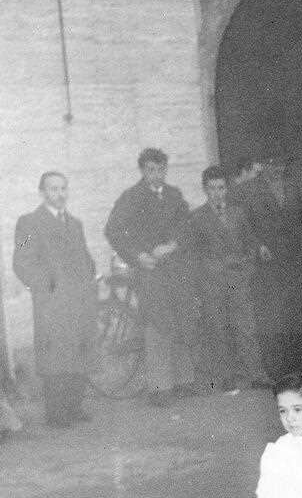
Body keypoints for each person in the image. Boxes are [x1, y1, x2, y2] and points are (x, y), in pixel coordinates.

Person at [104, 148, 196, 406]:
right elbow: (113, 230)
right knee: (157, 323)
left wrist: (174, 245)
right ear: (143, 171)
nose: (156, 175)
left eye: (160, 169)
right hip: (150, 270)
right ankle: (160, 388)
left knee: (178, 319)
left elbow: (188, 227)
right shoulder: (131, 197)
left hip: (174, 268)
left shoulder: (175, 196)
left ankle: (183, 381)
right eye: (150, 170)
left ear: (166, 169)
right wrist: (138, 256)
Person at [12, 171, 97, 425]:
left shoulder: (75, 224)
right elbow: (21, 261)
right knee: (56, 357)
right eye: (53, 189)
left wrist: (91, 276)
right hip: (52, 302)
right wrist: (47, 284)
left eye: (63, 189)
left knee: (79, 353)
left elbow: (85, 256)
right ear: (42, 193)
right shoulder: (28, 223)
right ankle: (56, 413)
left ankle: (73, 406)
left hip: (79, 299)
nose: (59, 195)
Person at [189, 166, 271, 392]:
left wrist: (254, 257)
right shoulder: (196, 218)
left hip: (237, 279)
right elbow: (193, 255)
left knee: (246, 327)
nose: (218, 193)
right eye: (213, 188)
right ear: (205, 190)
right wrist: (203, 280)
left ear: (227, 188)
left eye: (222, 188)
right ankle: (225, 376)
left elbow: (249, 240)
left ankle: (255, 373)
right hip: (212, 283)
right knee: (218, 329)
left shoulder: (238, 213)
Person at [242, 154, 302, 380]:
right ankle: (275, 368)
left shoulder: (294, 188)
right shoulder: (251, 191)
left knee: (293, 312)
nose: (277, 169)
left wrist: (298, 242)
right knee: (271, 315)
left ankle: (294, 364)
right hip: (268, 262)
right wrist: (258, 245)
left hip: (292, 259)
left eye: (280, 164)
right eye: (272, 164)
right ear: (264, 166)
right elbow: (245, 225)